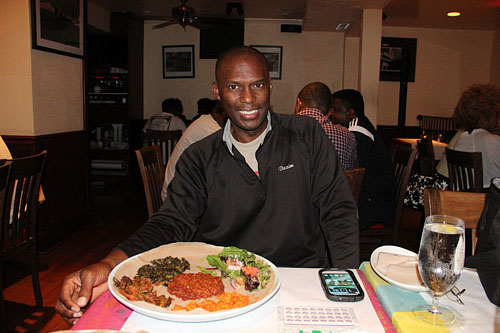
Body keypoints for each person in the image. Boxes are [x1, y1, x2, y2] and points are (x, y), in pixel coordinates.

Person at [56, 46, 359, 324]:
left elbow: (338, 209)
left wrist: (346, 279)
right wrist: (109, 264)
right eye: (234, 87)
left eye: (257, 84)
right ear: (217, 91)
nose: (248, 98)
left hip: (299, 281)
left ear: (270, 86)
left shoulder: (306, 134)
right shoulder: (198, 158)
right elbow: (170, 223)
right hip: (225, 292)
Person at [331, 89, 395, 230]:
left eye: (335, 110)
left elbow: (352, 173)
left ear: (351, 113)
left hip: (375, 205)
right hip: (372, 197)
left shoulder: (358, 131)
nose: (331, 114)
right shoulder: (360, 125)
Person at [161, 101, 228, 200]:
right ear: (222, 114)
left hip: (180, 188)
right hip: (177, 198)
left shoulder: (205, 122)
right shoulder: (210, 129)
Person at [294, 82, 358, 170]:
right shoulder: (348, 137)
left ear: (298, 103)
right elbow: (351, 176)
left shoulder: (281, 130)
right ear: (329, 113)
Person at [452, 83, 500, 189]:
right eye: (496, 114)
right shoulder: (493, 141)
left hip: (463, 196)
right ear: (488, 115)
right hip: (486, 200)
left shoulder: (462, 139)